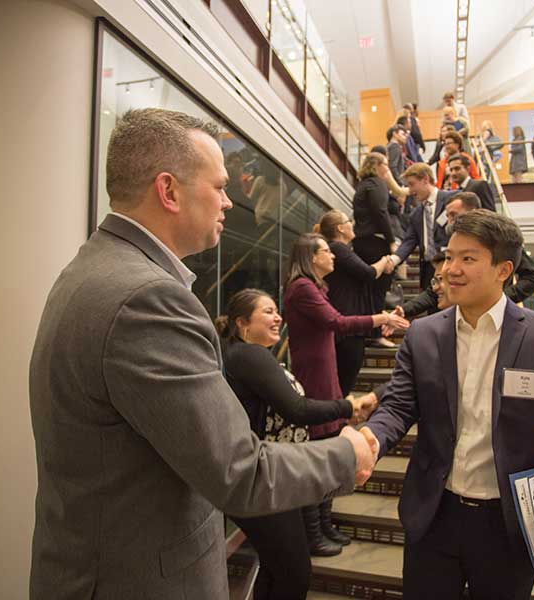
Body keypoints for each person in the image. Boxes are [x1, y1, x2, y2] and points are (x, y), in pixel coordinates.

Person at [28, 108, 375, 600]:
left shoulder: (92, 270)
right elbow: (240, 473)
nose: (230, 203)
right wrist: (347, 454)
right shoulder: (146, 298)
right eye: (219, 186)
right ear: (169, 191)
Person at [358, 210, 534, 600]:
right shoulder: (424, 335)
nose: (449, 270)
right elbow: (397, 406)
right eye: (448, 257)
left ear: (503, 269)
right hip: (433, 516)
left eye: (467, 258)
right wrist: (371, 438)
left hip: (507, 526)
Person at [218, 289, 377, 596]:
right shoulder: (249, 355)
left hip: (267, 474)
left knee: (278, 568)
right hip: (264, 478)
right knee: (294, 574)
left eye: (277, 311)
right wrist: (348, 406)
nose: (277, 317)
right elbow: (297, 410)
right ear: (242, 324)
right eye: (267, 311)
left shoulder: (246, 356)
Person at [283, 233, 410, 557]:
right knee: (318, 457)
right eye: (327, 251)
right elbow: (336, 322)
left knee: (328, 453)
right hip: (314, 380)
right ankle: (314, 533)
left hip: (325, 377)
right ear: (311, 257)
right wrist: (381, 318)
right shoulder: (301, 287)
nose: (333, 257)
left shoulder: (314, 287)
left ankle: (325, 526)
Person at [318, 210, 392, 397]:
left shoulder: (342, 249)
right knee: (344, 379)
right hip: (347, 324)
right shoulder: (339, 248)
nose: (352, 223)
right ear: (340, 228)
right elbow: (368, 273)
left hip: (349, 321)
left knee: (345, 379)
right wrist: (385, 260)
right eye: (348, 221)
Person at [444, 192, 534, 305]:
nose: (453, 270)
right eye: (448, 258)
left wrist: (503, 299)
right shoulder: (450, 239)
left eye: (453, 215)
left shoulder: (498, 239)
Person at [353, 153, 399, 347]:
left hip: (362, 243)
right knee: (379, 289)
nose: (387, 170)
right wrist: (391, 240)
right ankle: (376, 334)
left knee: (367, 290)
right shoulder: (377, 183)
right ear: (376, 166)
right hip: (376, 242)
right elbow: (381, 212)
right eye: (385, 165)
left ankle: (368, 332)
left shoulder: (362, 186)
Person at [386, 163, 456, 290]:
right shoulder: (416, 214)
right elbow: (409, 242)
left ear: (425, 179)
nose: (410, 191)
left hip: (451, 265)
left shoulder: (452, 200)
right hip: (428, 271)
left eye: (412, 184)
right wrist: (393, 260)